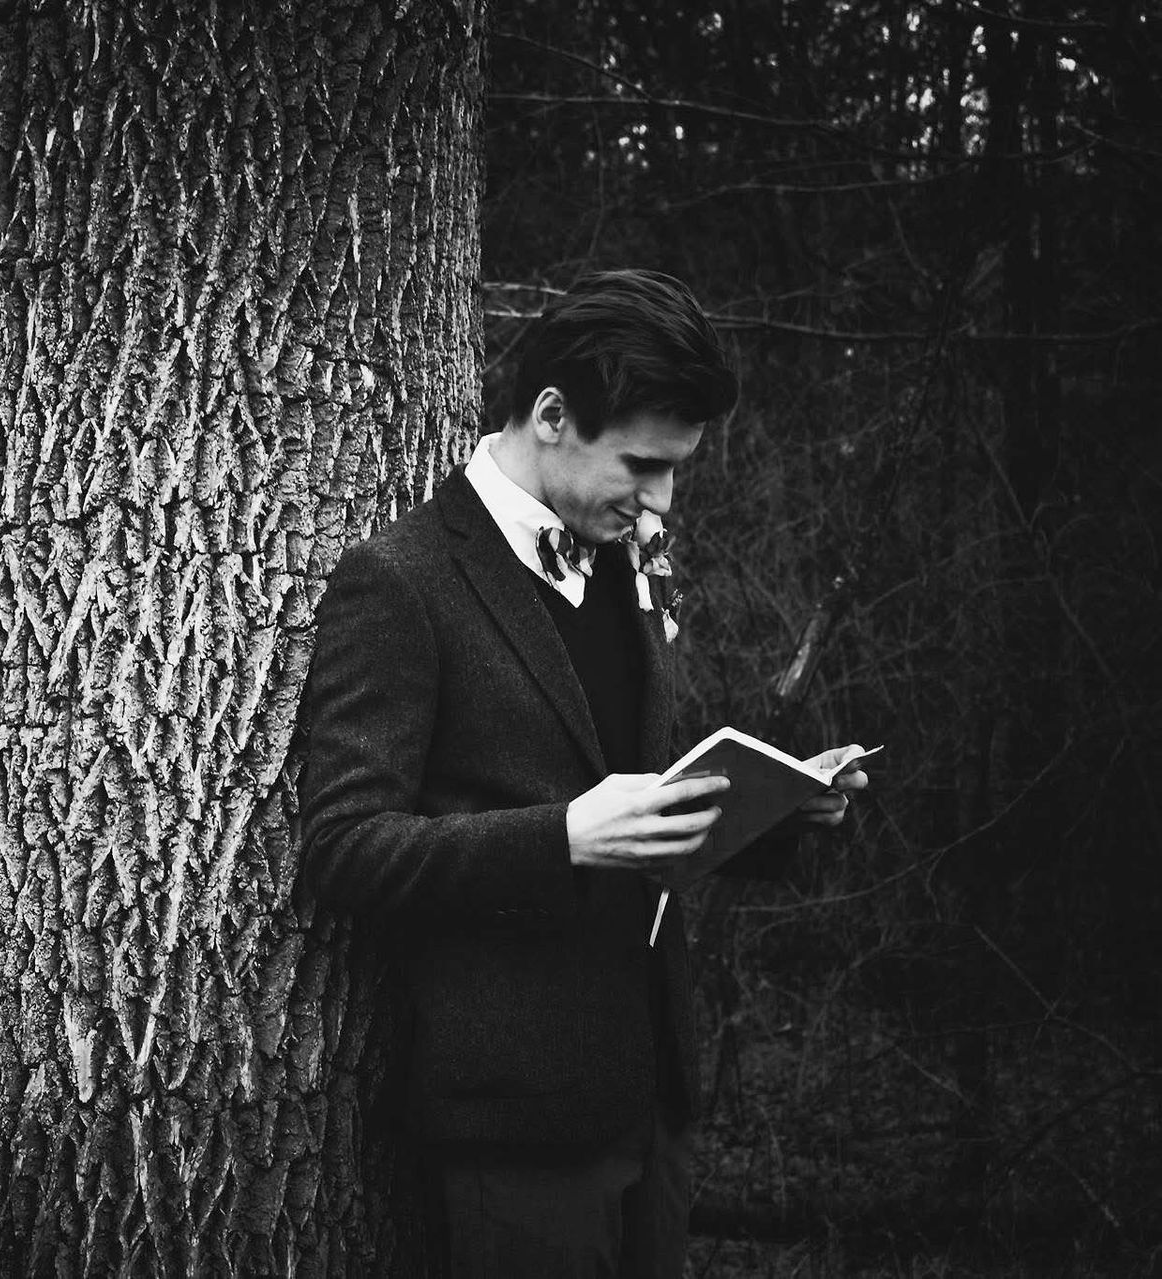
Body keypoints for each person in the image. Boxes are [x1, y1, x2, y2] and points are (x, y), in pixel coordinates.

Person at [297, 270, 870, 1277]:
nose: (661, 505)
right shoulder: (401, 582)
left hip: (653, 1097)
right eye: (645, 466)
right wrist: (562, 837)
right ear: (553, 415)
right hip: (517, 1124)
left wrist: (786, 814)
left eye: (676, 471)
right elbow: (346, 848)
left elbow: (633, 801)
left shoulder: (620, 568)